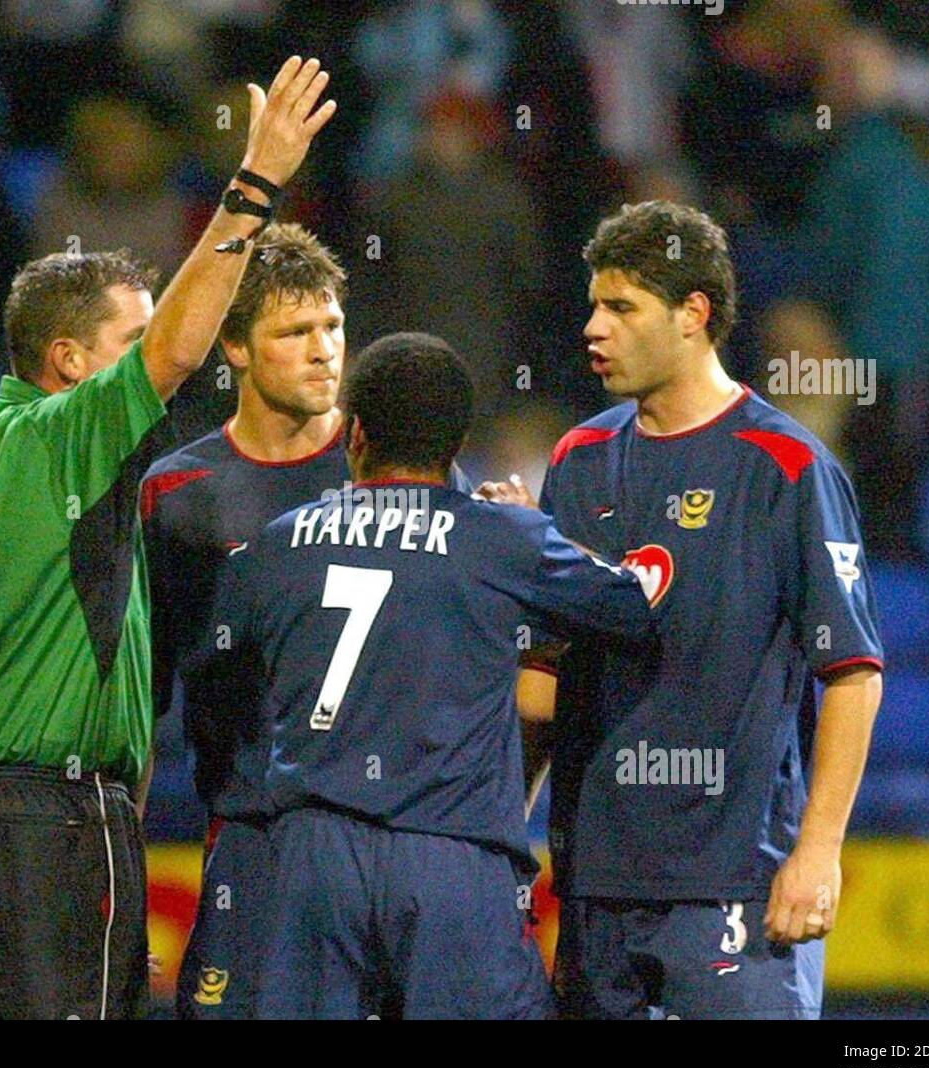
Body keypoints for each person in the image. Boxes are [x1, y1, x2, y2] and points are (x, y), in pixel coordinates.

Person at [0, 56, 337, 1019]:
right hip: (58, 817)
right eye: (129, 345)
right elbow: (179, 353)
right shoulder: (69, 433)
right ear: (68, 360)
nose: (155, 375)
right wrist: (255, 184)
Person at [485, 200, 884, 1019]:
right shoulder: (579, 460)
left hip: (735, 882)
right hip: (595, 885)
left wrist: (819, 851)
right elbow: (546, 679)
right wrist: (501, 838)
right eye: (593, 305)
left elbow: (851, 671)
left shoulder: (788, 466)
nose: (594, 328)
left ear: (694, 313)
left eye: (621, 308)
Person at [193, 332, 654, 1019]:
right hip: (451, 860)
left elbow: (218, 688)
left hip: (312, 855)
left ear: (355, 434)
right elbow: (633, 608)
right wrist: (533, 524)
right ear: (456, 444)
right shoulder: (502, 538)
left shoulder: (278, 542)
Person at [139, 222, 470, 1019]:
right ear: (235, 349)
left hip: (399, 839)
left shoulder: (409, 468)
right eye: (295, 331)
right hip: (253, 838)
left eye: (332, 327)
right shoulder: (176, 493)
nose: (325, 350)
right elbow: (141, 697)